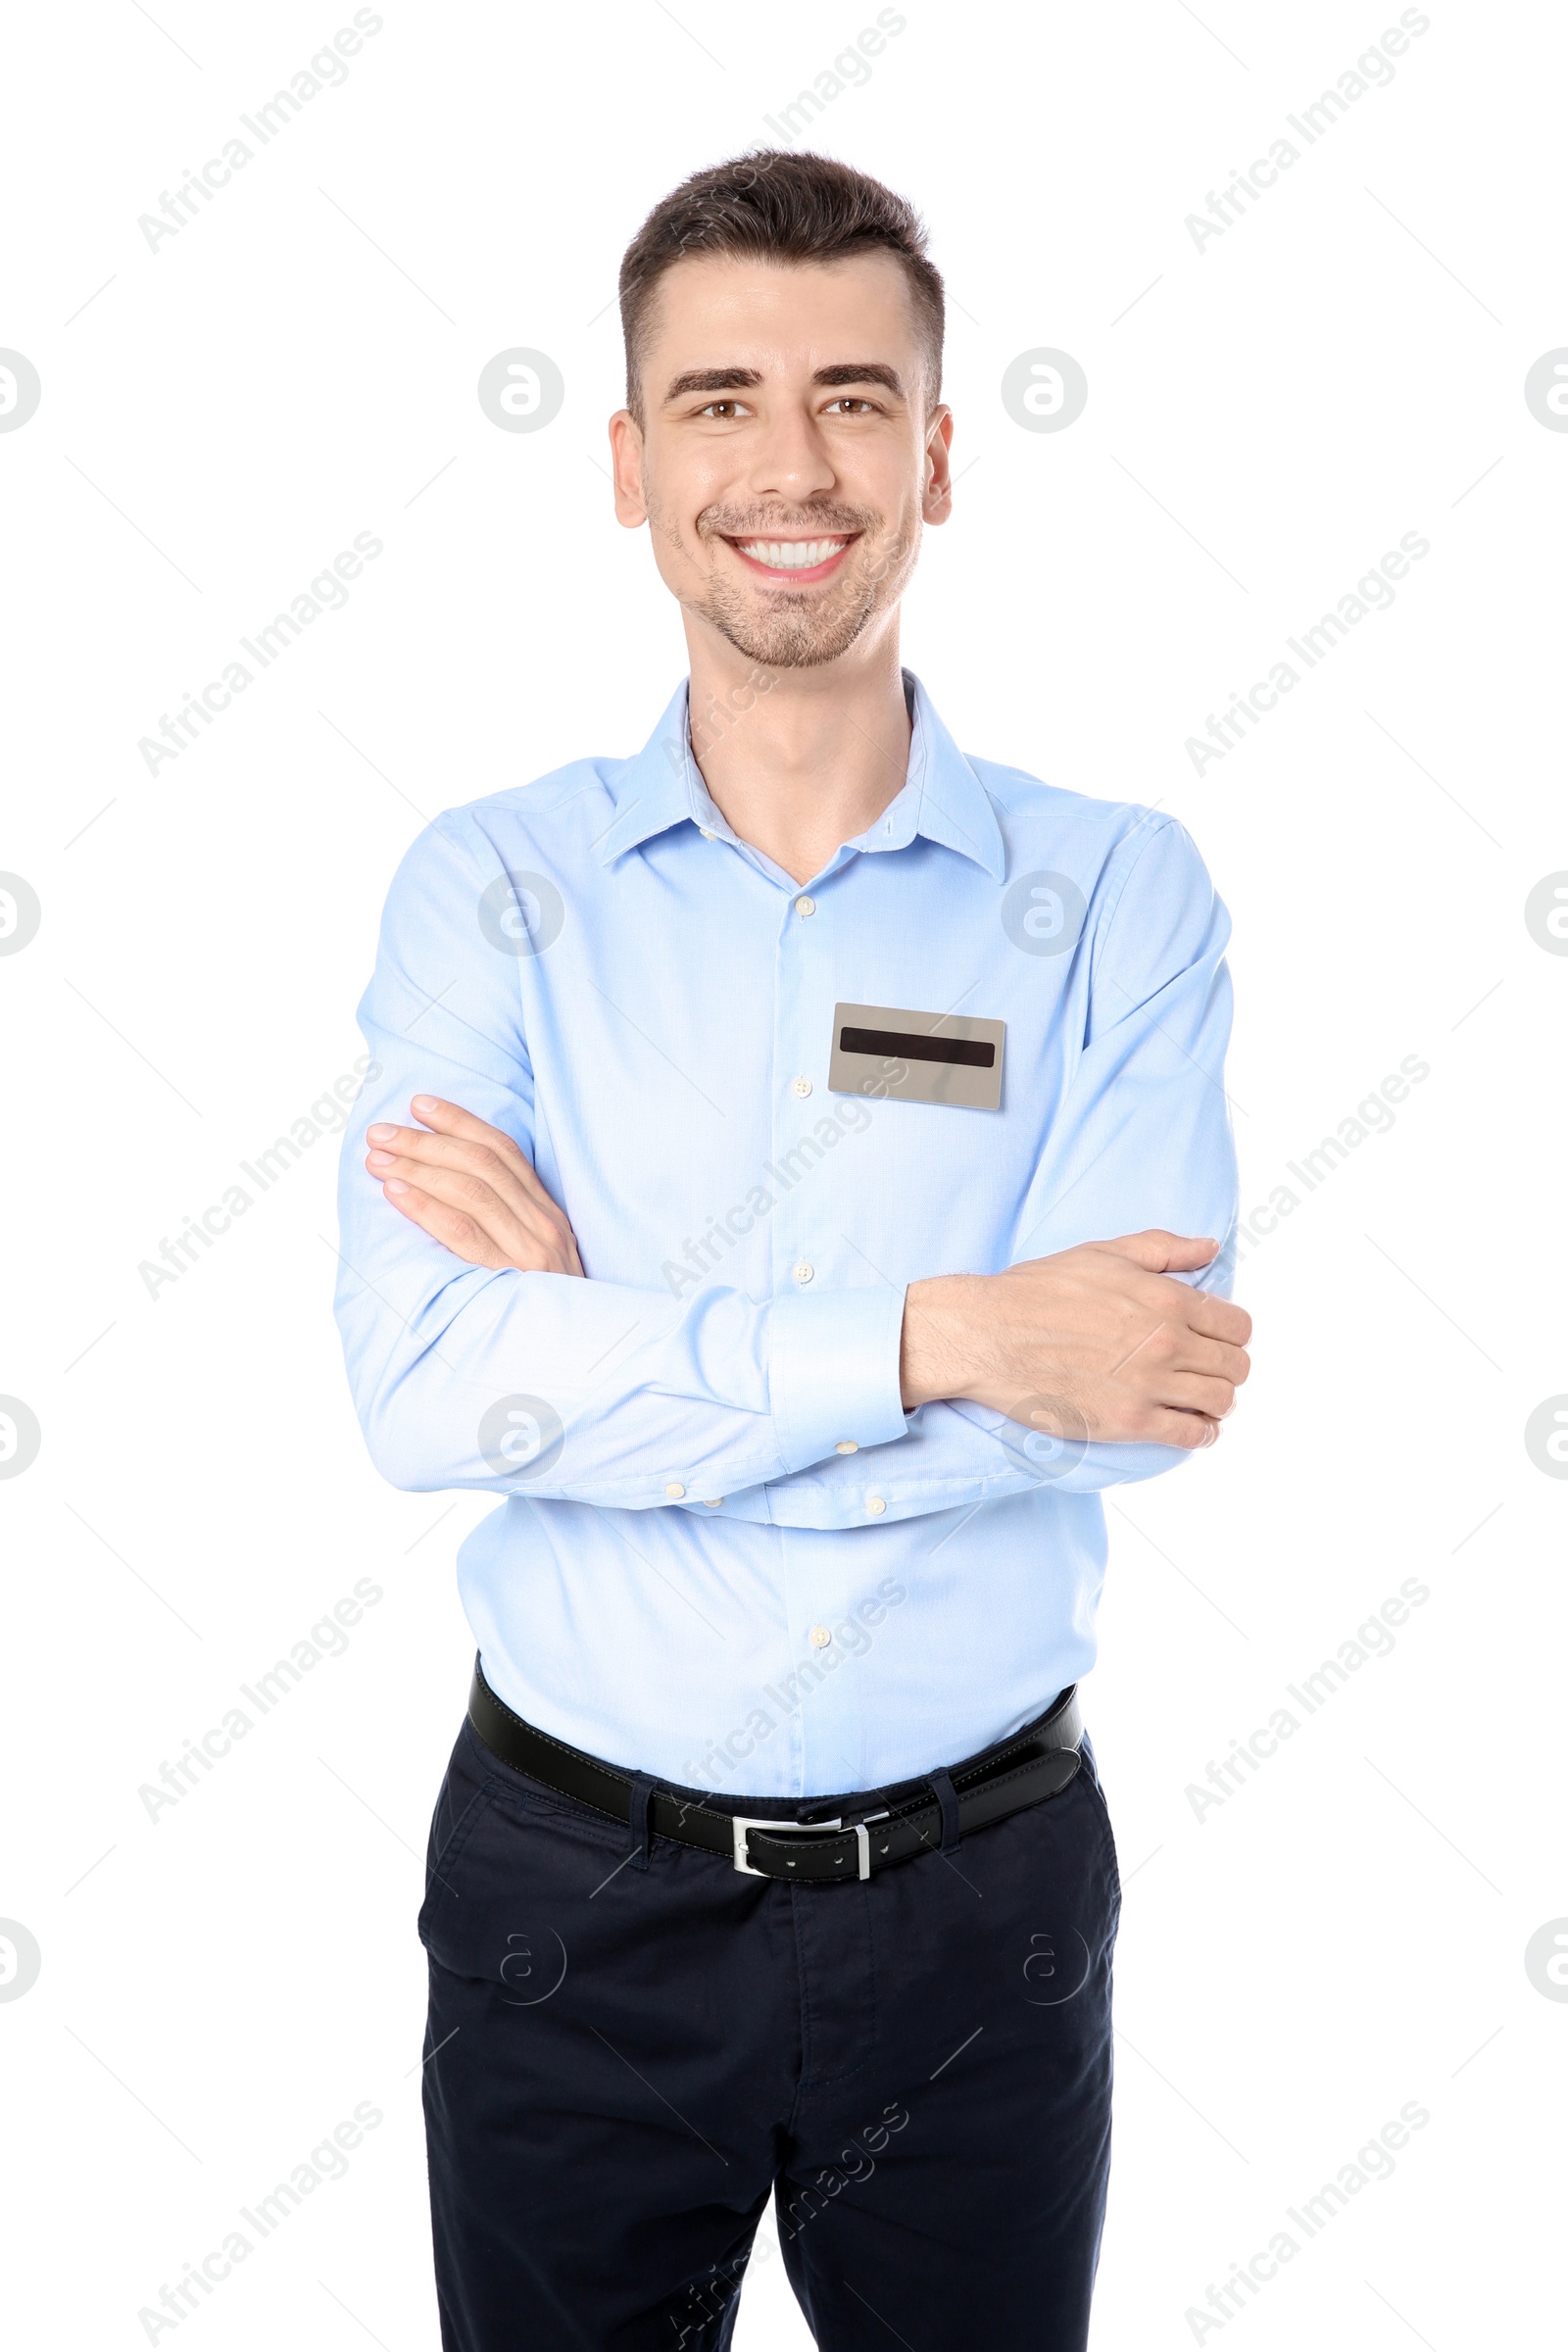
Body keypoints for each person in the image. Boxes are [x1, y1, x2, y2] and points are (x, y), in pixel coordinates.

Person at [334, 149, 1250, 2352]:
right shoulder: (491, 891)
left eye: (851, 396)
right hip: (574, 1896)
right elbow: (424, 1392)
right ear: (633, 463)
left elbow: (1126, 1404)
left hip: (978, 1904)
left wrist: (611, 1339)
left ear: (932, 455)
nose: (790, 464)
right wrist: (950, 1333)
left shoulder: (1119, 895)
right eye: (720, 401)